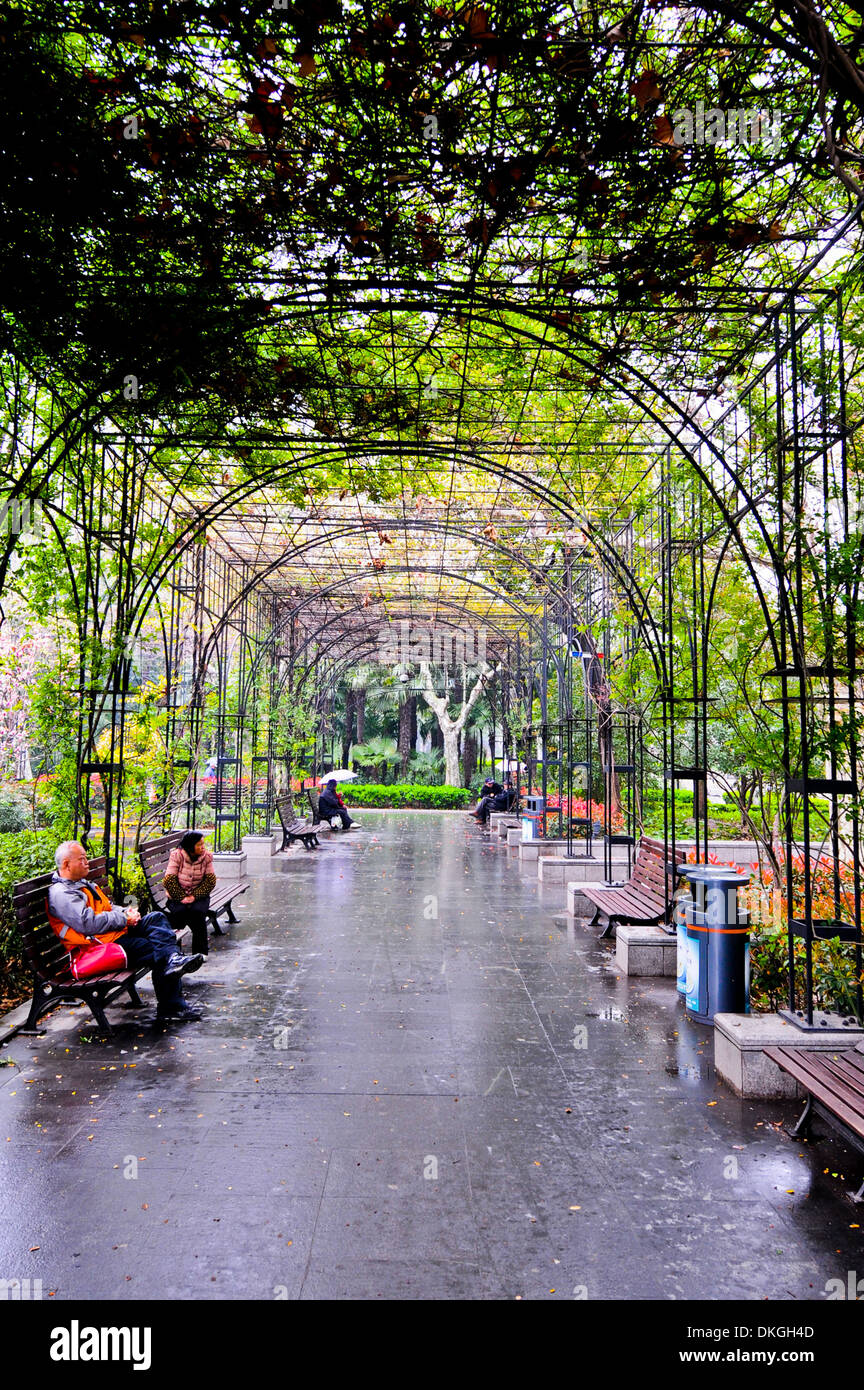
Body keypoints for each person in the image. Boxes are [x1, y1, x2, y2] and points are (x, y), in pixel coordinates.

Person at [47, 841, 204, 1023]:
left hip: (113, 934)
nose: (87, 862)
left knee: (156, 918)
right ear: (66, 864)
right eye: (82, 859)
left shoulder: (79, 884)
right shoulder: (62, 893)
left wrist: (125, 912)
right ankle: (171, 1006)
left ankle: (173, 961)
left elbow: (107, 907)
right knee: (156, 949)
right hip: (98, 947)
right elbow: (87, 923)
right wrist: (123, 919)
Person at [162, 830, 216, 956]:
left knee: (197, 912)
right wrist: (181, 897)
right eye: (199, 845)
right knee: (182, 912)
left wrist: (194, 896)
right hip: (176, 896)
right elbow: (169, 879)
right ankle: (175, 952)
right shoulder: (177, 855)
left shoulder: (206, 857)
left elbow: (210, 880)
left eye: (203, 844)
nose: (203, 847)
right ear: (190, 846)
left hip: (199, 896)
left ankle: (200, 954)